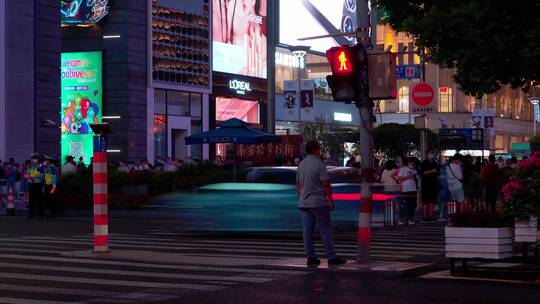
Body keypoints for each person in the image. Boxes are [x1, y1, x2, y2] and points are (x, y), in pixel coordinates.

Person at [296, 141, 346, 267]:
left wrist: (302, 196)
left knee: (307, 231)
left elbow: (298, 185)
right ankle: (331, 256)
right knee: (325, 230)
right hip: (318, 202)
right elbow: (326, 184)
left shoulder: (301, 164)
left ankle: (311, 257)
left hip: (303, 202)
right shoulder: (319, 164)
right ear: (317, 150)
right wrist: (330, 199)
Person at [398, 157, 418, 226]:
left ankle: (410, 219)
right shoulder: (403, 169)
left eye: (414, 163)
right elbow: (400, 178)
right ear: (408, 162)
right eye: (411, 162)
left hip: (413, 190)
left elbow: (416, 179)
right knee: (404, 205)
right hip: (406, 190)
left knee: (412, 205)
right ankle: (402, 219)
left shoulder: (414, 170)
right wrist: (408, 177)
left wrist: (414, 177)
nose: (413, 164)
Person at [420, 150, 439, 222]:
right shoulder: (424, 163)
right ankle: (425, 217)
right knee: (425, 201)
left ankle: (431, 216)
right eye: (431, 153)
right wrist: (432, 171)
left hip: (433, 184)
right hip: (426, 184)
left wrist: (435, 171)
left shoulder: (434, 162)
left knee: (432, 201)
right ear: (427, 154)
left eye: (432, 154)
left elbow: (437, 170)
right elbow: (423, 173)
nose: (432, 155)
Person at [26, 153, 45, 218]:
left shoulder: (40, 166)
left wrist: (33, 177)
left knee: (39, 200)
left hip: (38, 184)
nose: (34, 160)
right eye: (33, 158)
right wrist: (29, 177)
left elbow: (42, 175)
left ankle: (40, 214)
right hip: (31, 184)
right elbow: (25, 175)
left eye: (35, 158)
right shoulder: (29, 167)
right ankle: (31, 214)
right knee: (31, 200)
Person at [436, 157, 450, 221]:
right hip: (443, 186)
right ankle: (441, 216)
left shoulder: (438, 168)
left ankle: (440, 215)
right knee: (442, 202)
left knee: (441, 201)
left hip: (441, 186)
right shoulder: (446, 168)